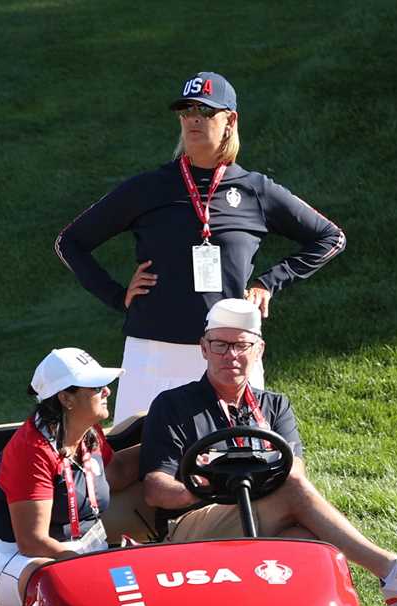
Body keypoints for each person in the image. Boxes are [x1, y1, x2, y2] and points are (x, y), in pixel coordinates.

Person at [55, 71, 346, 421]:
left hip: (232, 352)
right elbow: (70, 242)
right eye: (186, 110)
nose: (194, 118)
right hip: (153, 351)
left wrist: (268, 283)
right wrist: (117, 296)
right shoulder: (148, 188)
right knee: (142, 461)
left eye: (206, 111)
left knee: (239, 458)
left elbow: (330, 237)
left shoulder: (256, 190)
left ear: (230, 121)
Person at [140, 299, 397, 606]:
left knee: (306, 540)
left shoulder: (275, 406)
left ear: (259, 350)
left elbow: (295, 471)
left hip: (261, 510)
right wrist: (203, 488)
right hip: (194, 523)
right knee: (291, 488)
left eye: (241, 346)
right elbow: (155, 489)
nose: (231, 355)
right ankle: (391, 570)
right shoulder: (173, 405)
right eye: (221, 345)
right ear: (204, 348)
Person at [0, 349, 139, 606]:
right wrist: (90, 566)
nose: (107, 392)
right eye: (97, 387)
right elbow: (31, 542)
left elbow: (117, 474)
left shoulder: (87, 433)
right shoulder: (32, 449)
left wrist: (170, 448)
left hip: (72, 553)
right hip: (10, 558)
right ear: (66, 398)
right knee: (54, 585)